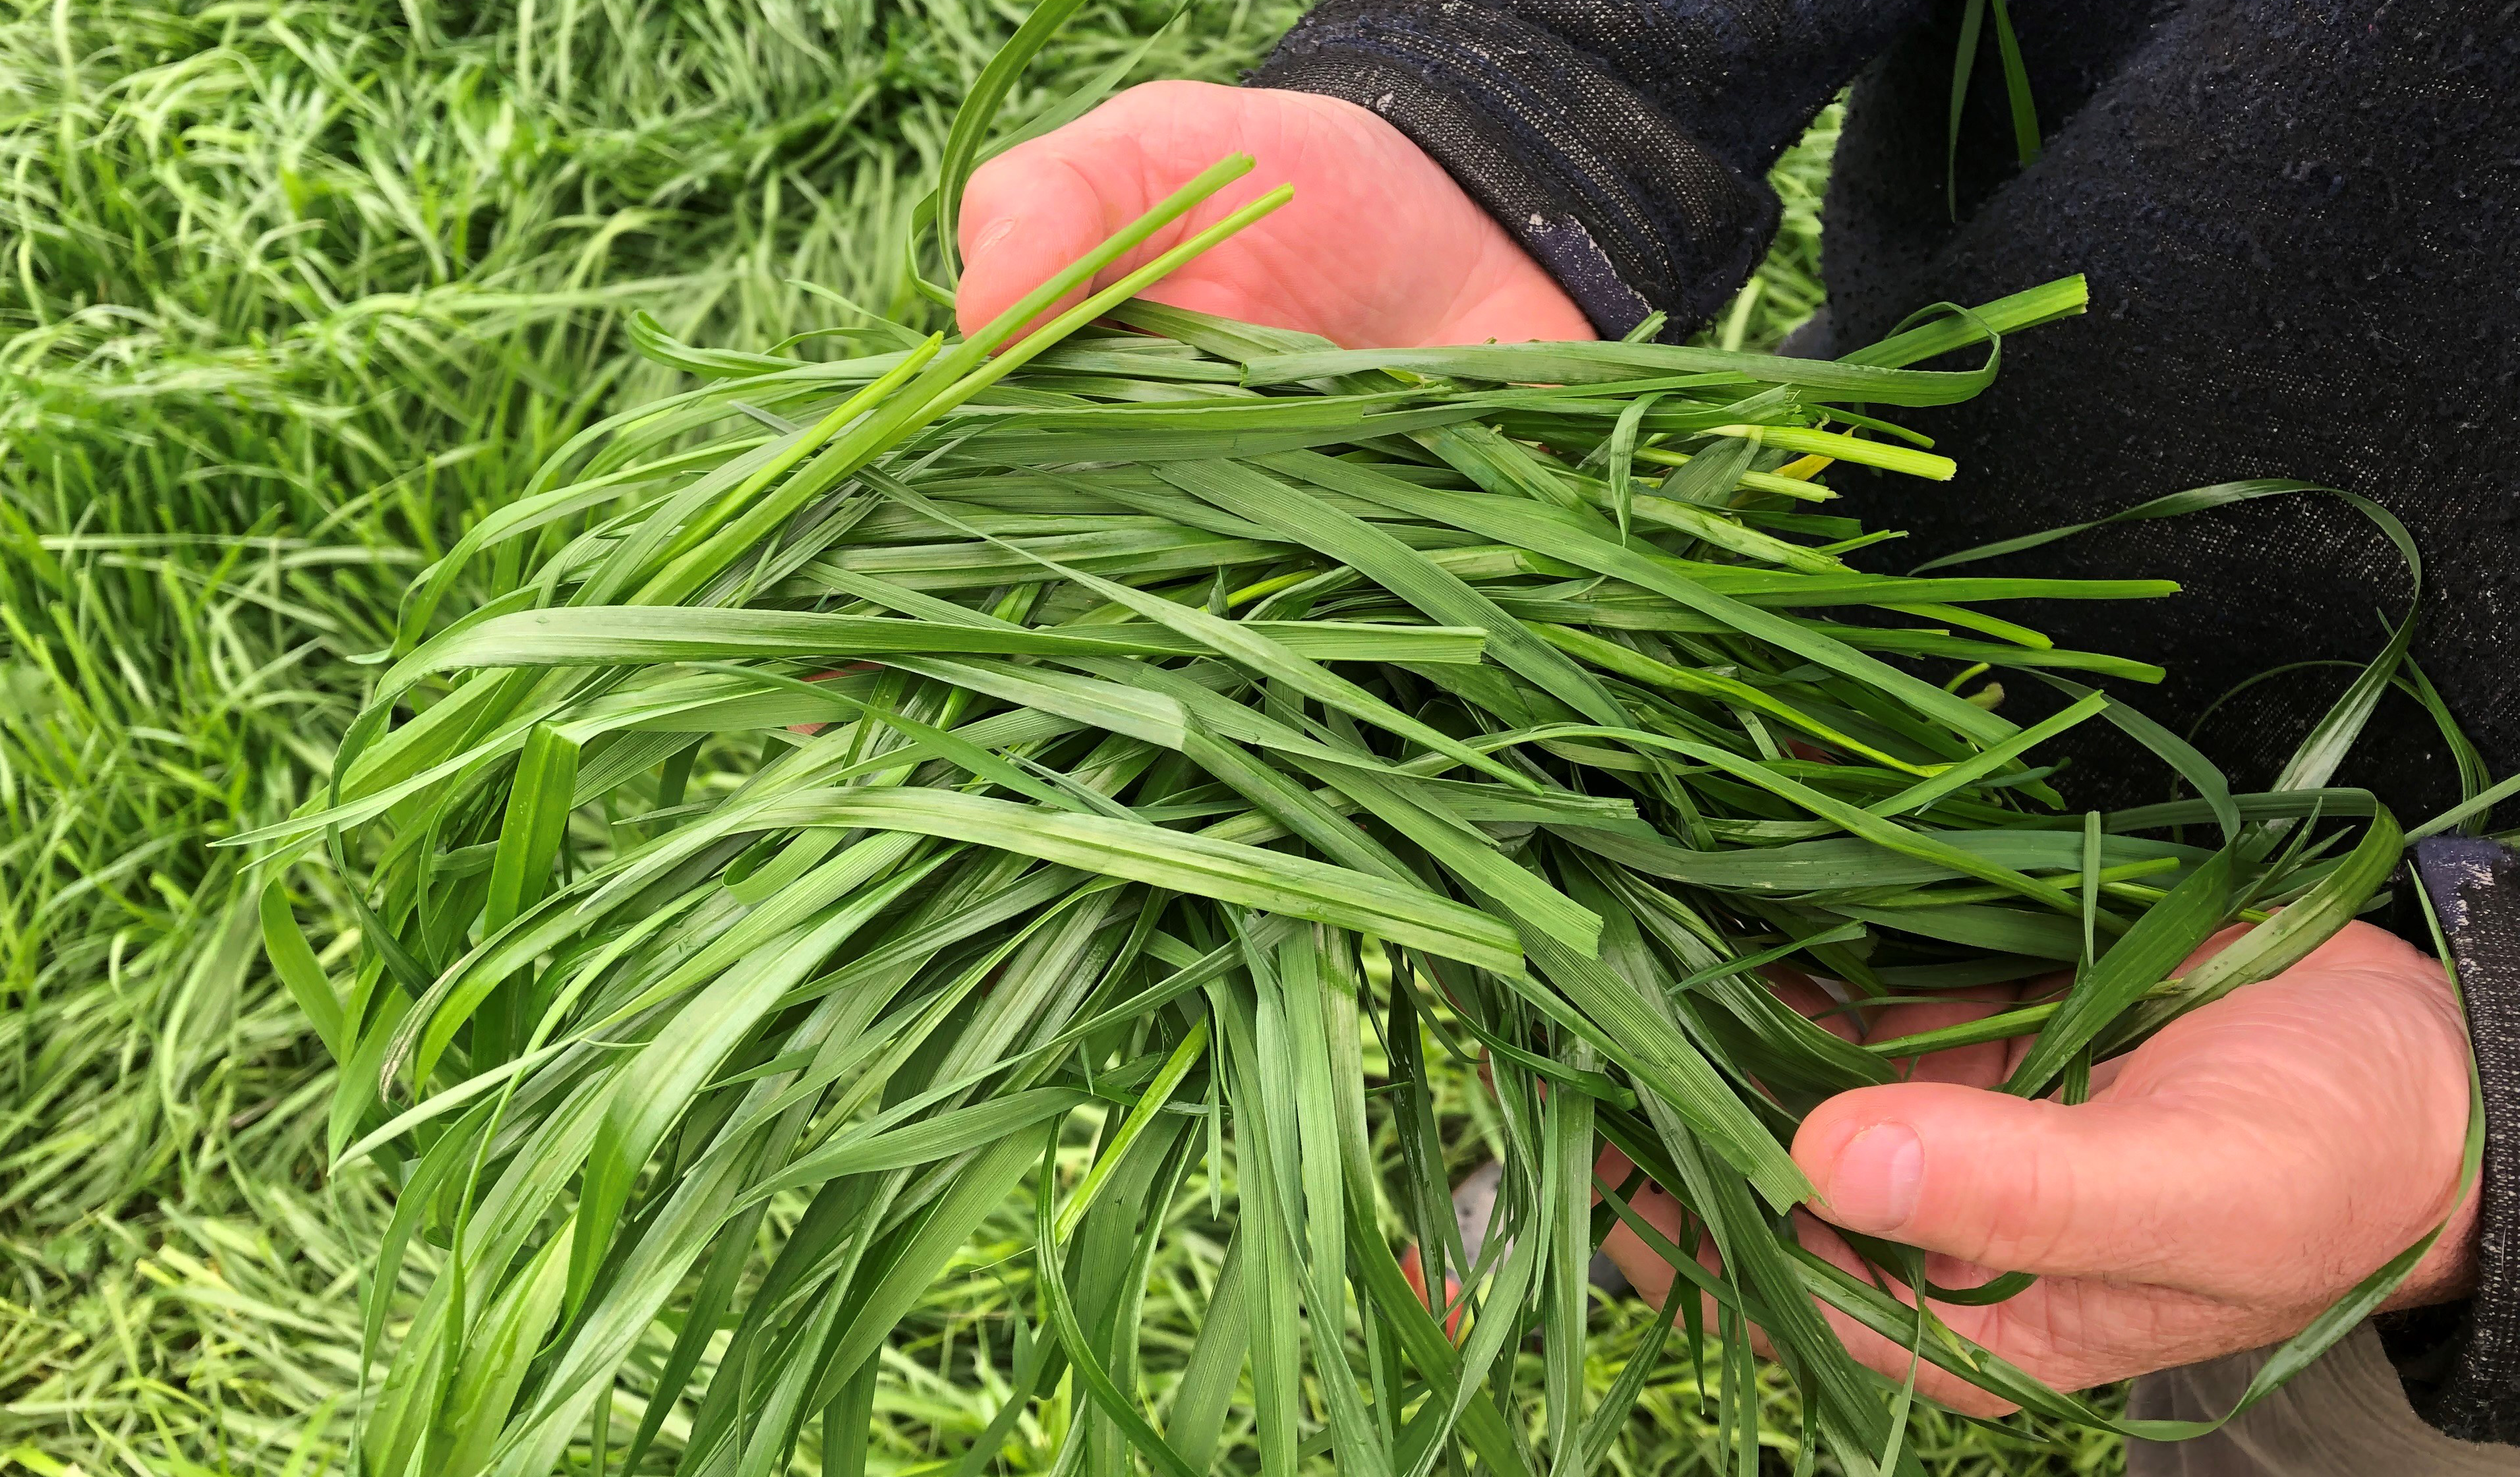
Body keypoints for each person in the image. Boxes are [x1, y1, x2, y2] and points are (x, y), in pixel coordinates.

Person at [954, 4, 2520, 1471]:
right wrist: (1505, 95)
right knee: (1612, 968)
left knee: (2282, 1410)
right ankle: (1593, 1197)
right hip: (1866, 562)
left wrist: (2494, 1115)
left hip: (2399, 1033)